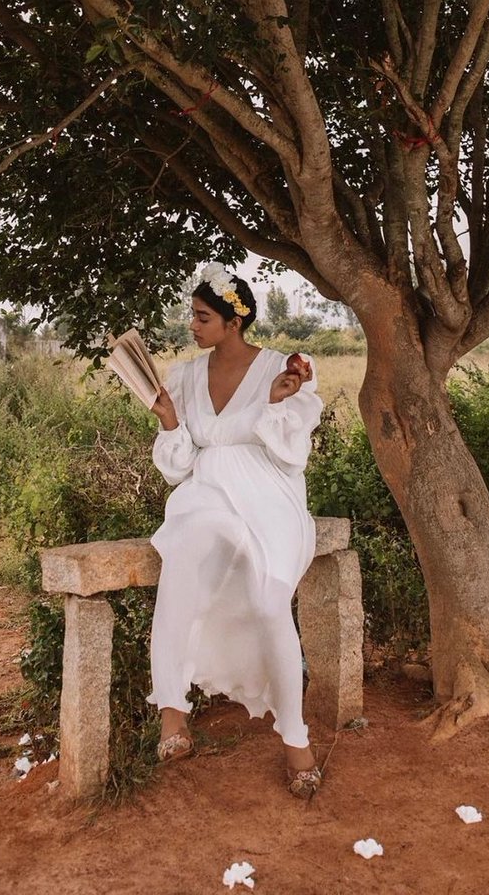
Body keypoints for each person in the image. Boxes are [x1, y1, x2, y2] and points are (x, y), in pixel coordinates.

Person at [147, 262, 324, 797]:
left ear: (234, 319)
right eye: (192, 315)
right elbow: (178, 466)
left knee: (270, 604)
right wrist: (171, 423)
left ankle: (295, 737)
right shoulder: (184, 376)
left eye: (202, 317)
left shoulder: (283, 370)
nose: (192, 326)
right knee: (179, 563)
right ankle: (172, 711)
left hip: (268, 495)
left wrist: (274, 401)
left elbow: (294, 453)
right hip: (205, 493)